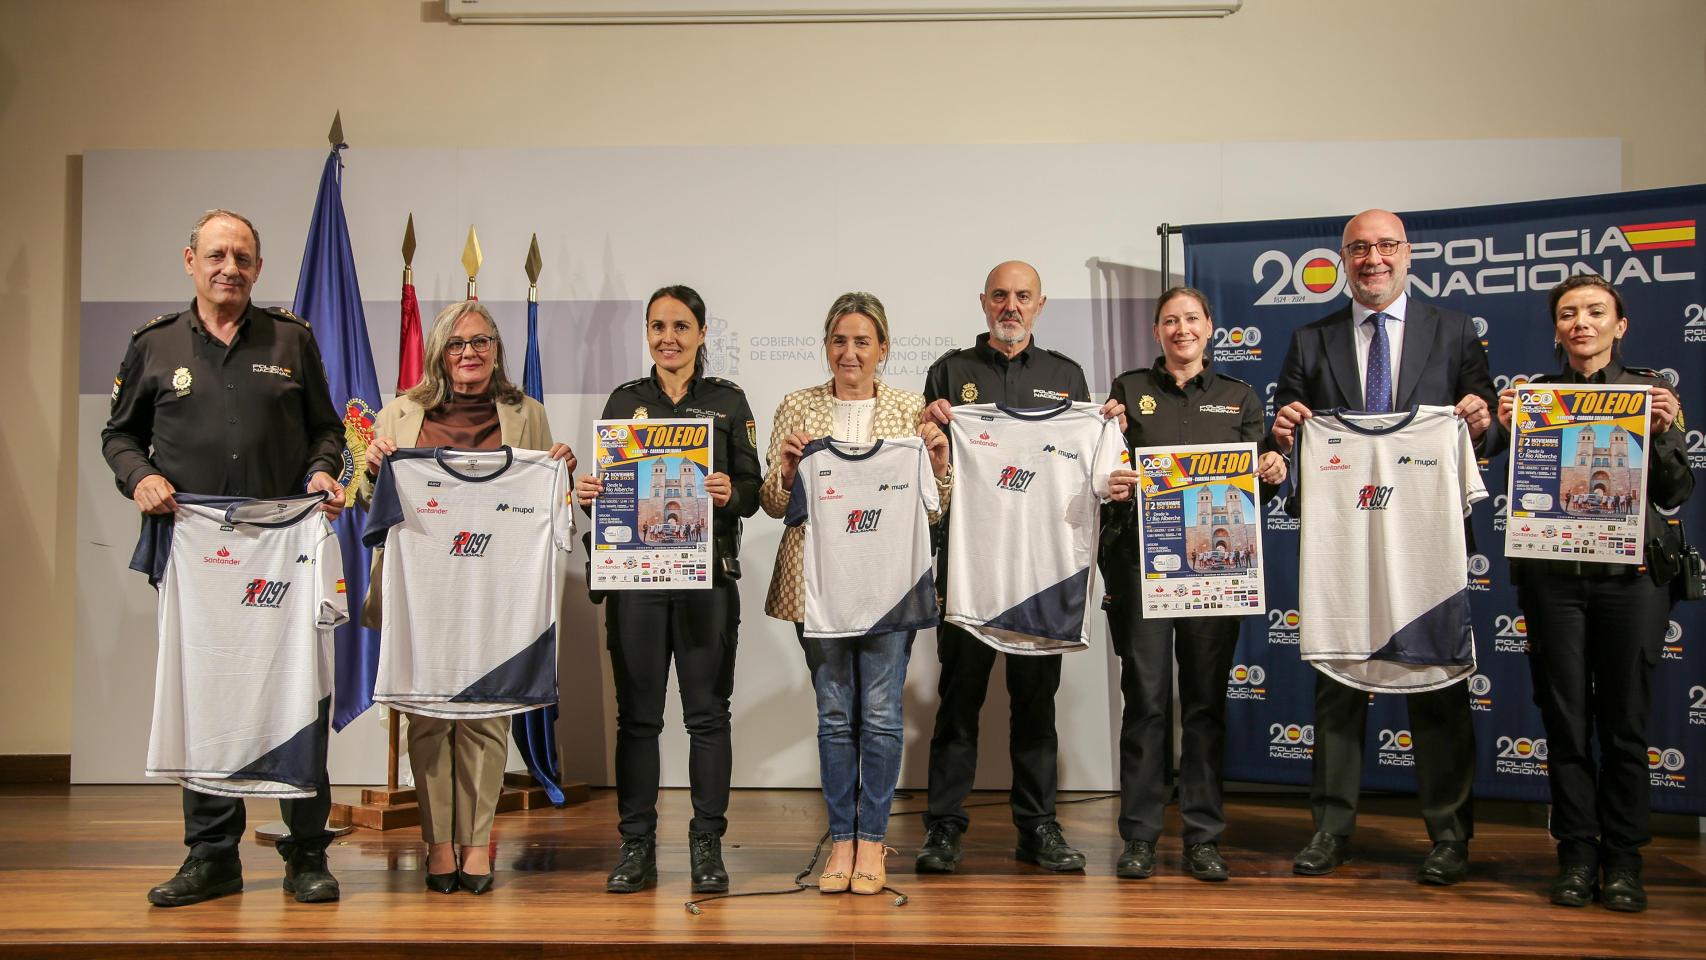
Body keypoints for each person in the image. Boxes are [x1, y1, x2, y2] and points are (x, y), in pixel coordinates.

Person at [101, 209, 346, 907]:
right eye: (216, 254)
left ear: (257, 268)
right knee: (205, 695)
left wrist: (324, 471)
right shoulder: (153, 345)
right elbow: (118, 437)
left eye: (241, 256)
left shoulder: (291, 340)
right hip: (196, 553)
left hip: (282, 549)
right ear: (190, 261)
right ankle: (212, 857)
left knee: (298, 692)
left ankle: (305, 853)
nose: (229, 267)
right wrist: (138, 476)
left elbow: (326, 430)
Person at [1270, 208, 1503, 885]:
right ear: (1344, 259)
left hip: (1425, 539)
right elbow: (1286, 428)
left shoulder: (1453, 331)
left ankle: (1450, 836)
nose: (1373, 258)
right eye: (1359, 248)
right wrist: (1284, 429)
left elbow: (1484, 425)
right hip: (1344, 541)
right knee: (1338, 688)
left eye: (1385, 246)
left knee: (1436, 686)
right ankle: (1329, 828)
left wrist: (1482, 423)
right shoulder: (1310, 340)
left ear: (1409, 254)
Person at [915, 260, 1125, 874]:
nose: (1011, 306)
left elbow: (1092, 470)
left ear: (1039, 305)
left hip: (1043, 573)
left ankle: (1039, 828)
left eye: (1023, 297)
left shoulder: (1067, 376)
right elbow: (931, 464)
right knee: (958, 704)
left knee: (1037, 707)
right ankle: (944, 830)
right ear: (984, 302)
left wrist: (1106, 431)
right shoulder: (950, 372)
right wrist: (929, 429)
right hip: (970, 570)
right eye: (1001, 296)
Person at [361, 300, 576, 895]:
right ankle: (437, 845)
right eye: (457, 345)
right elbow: (364, 504)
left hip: (494, 591)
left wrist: (559, 468)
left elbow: (546, 499)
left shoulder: (525, 413)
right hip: (424, 592)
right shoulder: (401, 412)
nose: (470, 354)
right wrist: (373, 466)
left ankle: (477, 845)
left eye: (481, 343)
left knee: (486, 717)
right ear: (438, 352)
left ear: (498, 350)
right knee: (427, 715)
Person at [1497, 274, 1693, 912]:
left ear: (1620, 325)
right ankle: (1577, 855)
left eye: (1595, 312)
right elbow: (1510, 479)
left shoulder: (1650, 395)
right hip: (1555, 584)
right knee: (1566, 724)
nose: (1582, 323)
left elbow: (1673, 492)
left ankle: (1626, 863)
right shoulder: (1535, 399)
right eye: (1569, 314)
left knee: (1626, 726)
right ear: (1556, 328)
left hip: (1631, 584)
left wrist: (1663, 432)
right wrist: (1506, 428)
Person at [759, 293, 953, 894]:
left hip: (887, 586)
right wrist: (788, 472)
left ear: (883, 348)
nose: (850, 352)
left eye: (862, 341)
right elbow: (772, 505)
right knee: (835, 715)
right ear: (826, 346)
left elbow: (935, 506)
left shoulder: (907, 409)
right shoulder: (797, 406)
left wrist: (941, 462)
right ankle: (840, 841)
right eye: (839, 340)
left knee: (881, 715)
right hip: (816, 588)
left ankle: (873, 842)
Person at [575, 285, 763, 894]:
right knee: (638, 721)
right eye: (657, 326)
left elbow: (754, 491)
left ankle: (707, 846)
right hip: (637, 586)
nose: (668, 337)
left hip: (706, 580)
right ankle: (637, 847)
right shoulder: (625, 402)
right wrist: (592, 496)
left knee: (708, 719)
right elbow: (611, 488)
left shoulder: (727, 402)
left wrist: (726, 493)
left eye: (681, 326)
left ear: (702, 333)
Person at [1100, 287, 1287, 882]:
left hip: (1215, 575)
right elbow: (1101, 470)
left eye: (1191, 319)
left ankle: (1204, 836)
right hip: (1142, 568)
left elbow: (1262, 482)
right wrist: (1113, 477)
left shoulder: (1239, 396)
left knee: (1204, 707)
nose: (1181, 330)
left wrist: (1274, 470)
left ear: (1210, 327)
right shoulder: (1128, 391)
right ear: (1157, 332)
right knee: (1147, 704)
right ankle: (1141, 835)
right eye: (1169, 321)